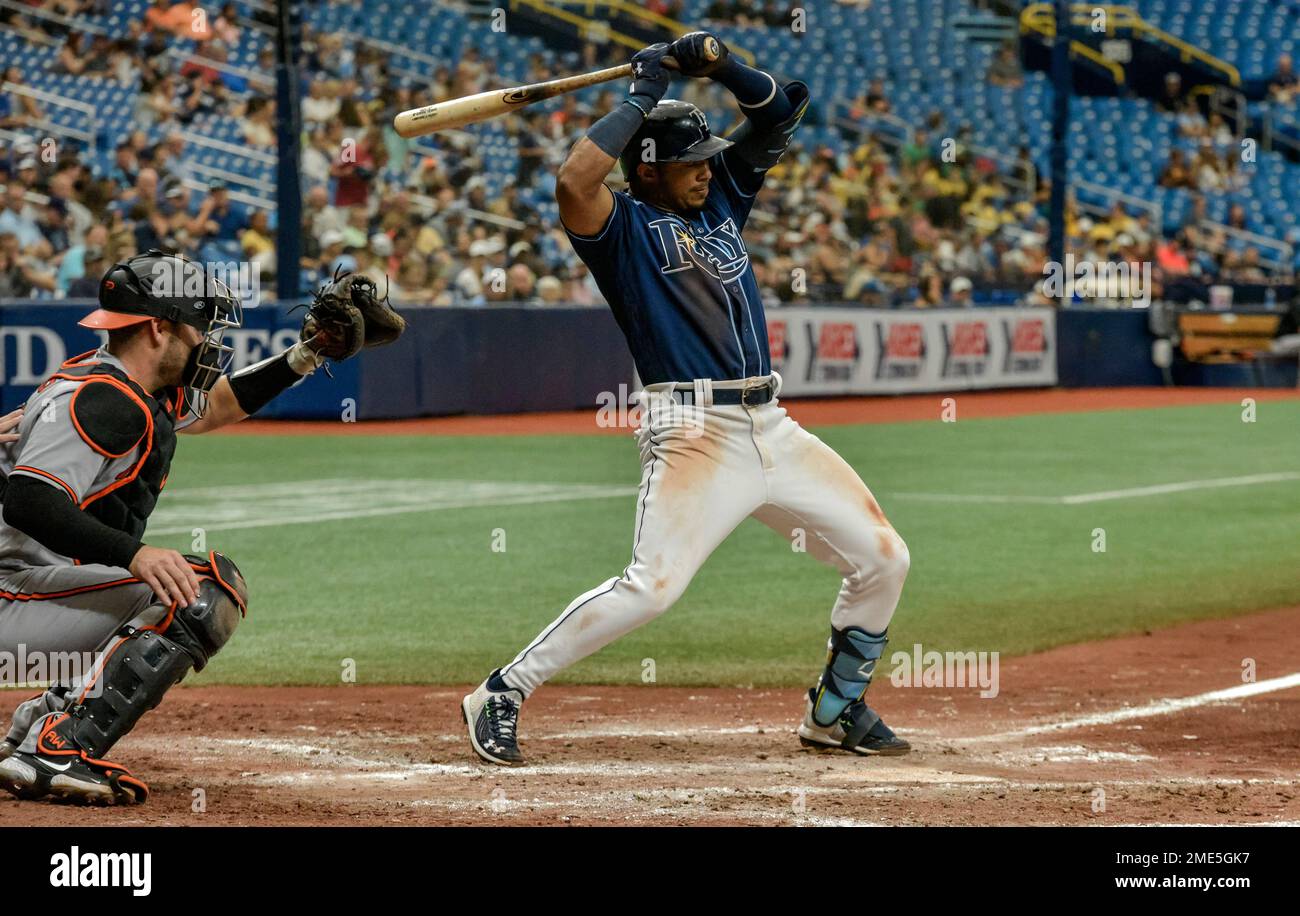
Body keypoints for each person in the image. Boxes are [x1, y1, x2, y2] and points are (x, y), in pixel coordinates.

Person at [462, 33, 911, 766]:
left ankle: (836, 711)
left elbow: (778, 115)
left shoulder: (721, 200)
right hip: (694, 430)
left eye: (707, 161)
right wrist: (640, 95)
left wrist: (720, 65)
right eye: (689, 164)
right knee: (653, 588)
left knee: (885, 558)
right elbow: (575, 181)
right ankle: (503, 691)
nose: (706, 173)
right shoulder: (621, 229)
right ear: (648, 168)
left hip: (773, 424)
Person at [0, 250, 382, 806]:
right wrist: (136, 555)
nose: (208, 339)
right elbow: (30, 502)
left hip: (23, 598)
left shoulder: (129, 388)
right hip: (10, 600)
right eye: (200, 324)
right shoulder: (100, 401)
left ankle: (40, 729)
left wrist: (308, 353)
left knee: (178, 584)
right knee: (195, 593)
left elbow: (219, 406)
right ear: (159, 327)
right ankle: (56, 748)